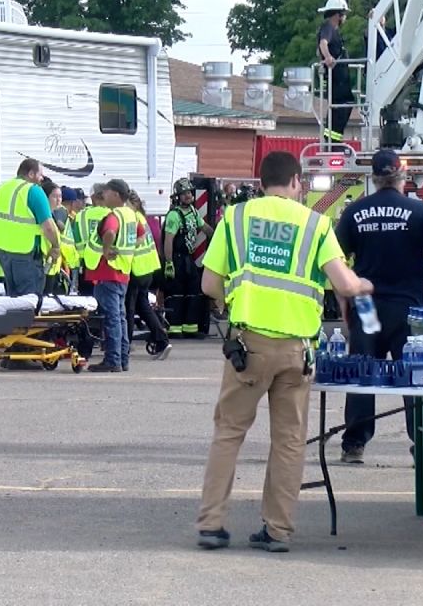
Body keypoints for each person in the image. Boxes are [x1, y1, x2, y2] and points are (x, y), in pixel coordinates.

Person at [196, 150, 373, 553]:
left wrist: (236, 300)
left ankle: (211, 525)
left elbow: (209, 284)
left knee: (228, 433)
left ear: (261, 183)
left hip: (248, 346)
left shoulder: (236, 218)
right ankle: (277, 531)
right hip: (298, 351)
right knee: (290, 440)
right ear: (296, 182)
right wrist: (363, 285)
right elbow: (343, 285)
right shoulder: (316, 225)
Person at [336, 148, 423, 464]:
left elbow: (334, 263)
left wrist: (344, 310)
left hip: (366, 309)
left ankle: (354, 445)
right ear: (403, 176)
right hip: (408, 311)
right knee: (415, 378)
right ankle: (422, 443)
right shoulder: (419, 211)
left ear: (374, 178)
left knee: (363, 375)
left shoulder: (355, 212)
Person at [83, 179, 141, 372]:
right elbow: (142, 234)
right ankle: (122, 359)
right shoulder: (131, 215)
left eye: (106, 192)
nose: (103, 196)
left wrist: (107, 250)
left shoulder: (114, 215)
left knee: (111, 318)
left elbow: (109, 232)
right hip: (123, 271)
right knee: (120, 317)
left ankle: (112, 360)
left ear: (116, 194)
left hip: (107, 272)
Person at [0, 159, 61, 298]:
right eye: (40, 174)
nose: (42, 178)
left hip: (4, 254)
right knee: (29, 302)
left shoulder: (2, 189)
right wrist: (56, 246)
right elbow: (48, 227)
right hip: (26, 253)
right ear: (31, 173)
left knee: (13, 301)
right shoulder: (33, 191)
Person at [163, 177, 214, 339]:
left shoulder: (193, 211)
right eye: (184, 193)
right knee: (176, 294)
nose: (188, 196)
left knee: (193, 292)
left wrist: (219, 235)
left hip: (188, 259)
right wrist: (169, 262)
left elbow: (204, 228)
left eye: (189, 193)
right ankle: (175, 328)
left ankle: (191, 328)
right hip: (177, 259)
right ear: (177, 197)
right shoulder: (174, 215)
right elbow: (168, 240)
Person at [124, 191, 171, 360]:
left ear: (133, 204)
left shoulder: (133, 218)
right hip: (148, 269)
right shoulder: (141, 217)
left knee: (129, 308)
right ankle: (161, 339)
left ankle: (125, 344)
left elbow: (131, 243)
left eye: (125, 204)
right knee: (142, 307)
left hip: (136, 270)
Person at [317, 0, 353, 144]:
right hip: (335, 78)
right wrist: (328, 58)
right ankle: (332, 142)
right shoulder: (328, 28)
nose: (345, 18)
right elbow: (323, 43)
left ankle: (334, 141)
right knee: (342, 105)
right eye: (343, 14)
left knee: (342, 106)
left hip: (339, 78)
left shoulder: (334, 30)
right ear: (338, 15)